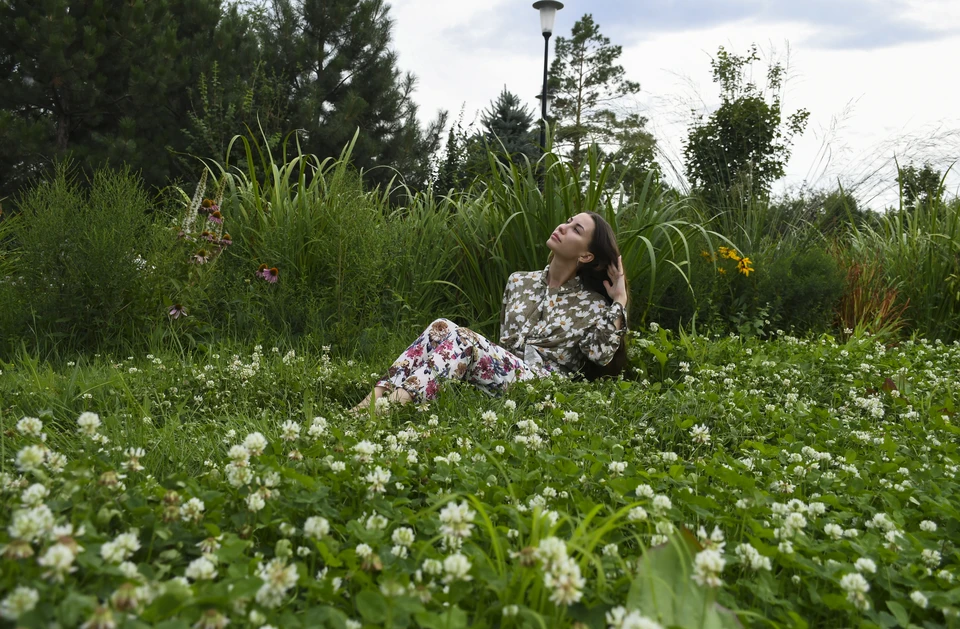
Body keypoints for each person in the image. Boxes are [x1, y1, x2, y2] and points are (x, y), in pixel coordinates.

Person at [349, 211, 629, 413]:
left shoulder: (593, 304)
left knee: (465, 339)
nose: (563, 227)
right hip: (502, 373)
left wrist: (619, 301)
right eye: (568, 221)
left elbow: (600, 355)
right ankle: (372, 399)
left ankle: (392, 406)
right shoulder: (519, 281)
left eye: (576, 230)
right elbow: (505, 345)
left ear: (586, 256)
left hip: (543, 388)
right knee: (441, 325)